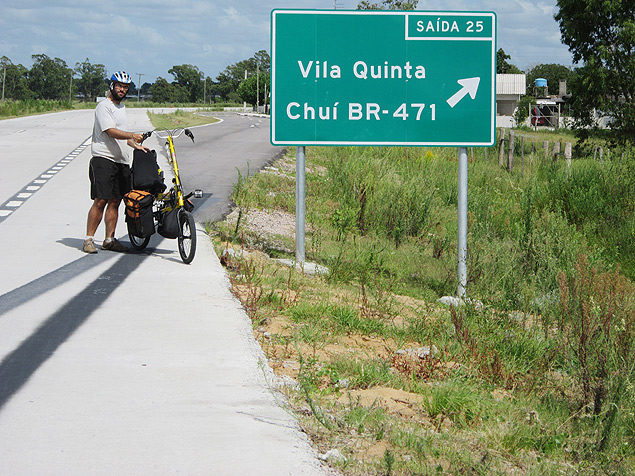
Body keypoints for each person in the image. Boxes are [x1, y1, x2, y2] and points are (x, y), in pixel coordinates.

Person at [83, 71, 148, 254]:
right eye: (119, 86)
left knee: (116, 201)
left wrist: (135, 145)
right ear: (112, 86)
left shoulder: (121, 108)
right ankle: (89, 239)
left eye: (125, 87)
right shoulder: (104, 106)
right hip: (103, 158)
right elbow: (110, 131)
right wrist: (131, 135)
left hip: (121, 161)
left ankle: (109, 239)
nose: (122, 89)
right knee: (101, 200)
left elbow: (122, 134)